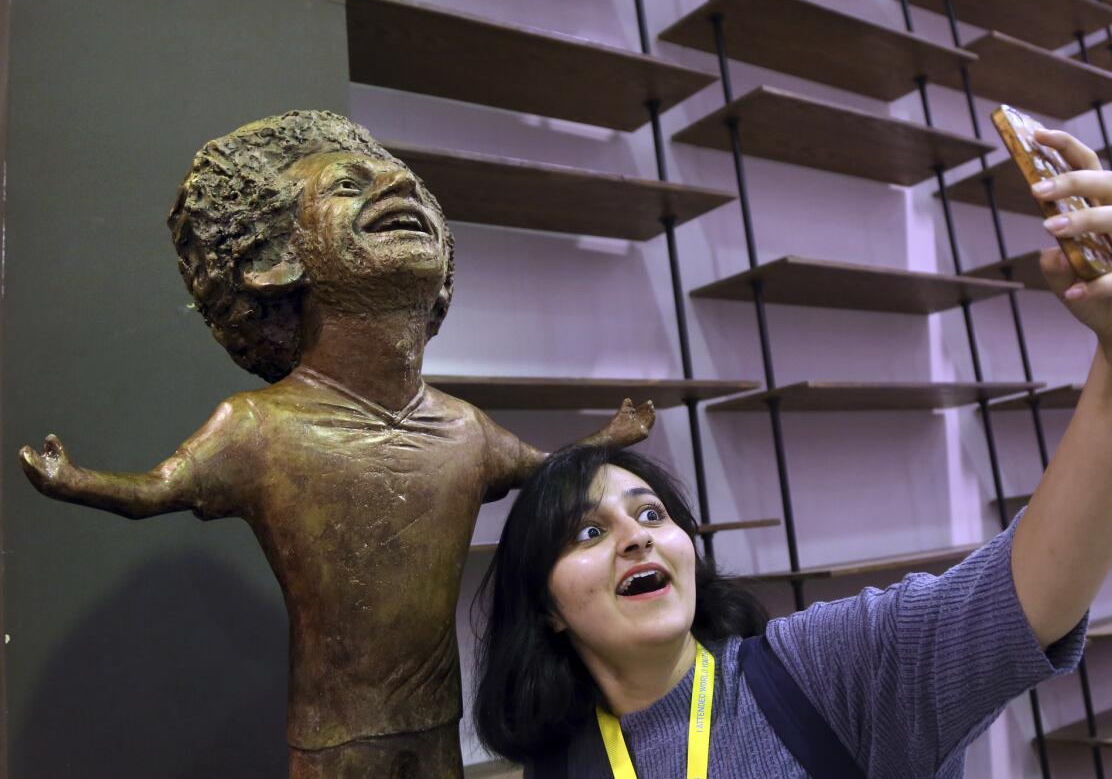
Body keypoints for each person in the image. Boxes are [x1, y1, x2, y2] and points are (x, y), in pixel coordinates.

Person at [473, 128, 1112, 778]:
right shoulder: (561, 767)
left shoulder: (822, 672)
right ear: (547, 609)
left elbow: (1025, 596)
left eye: (653, 512)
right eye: (590, 532)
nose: (636, 537)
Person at [19, 110, 655, 778]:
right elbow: (156, 490)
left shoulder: (464, 427)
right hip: (334, 733)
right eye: (350, 185)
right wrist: (78, 479)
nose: (397, 189)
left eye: (409, 185)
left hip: (438, 714)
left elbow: (545, 469)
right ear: (274, 261)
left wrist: (607, 438)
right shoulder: (259, 427)